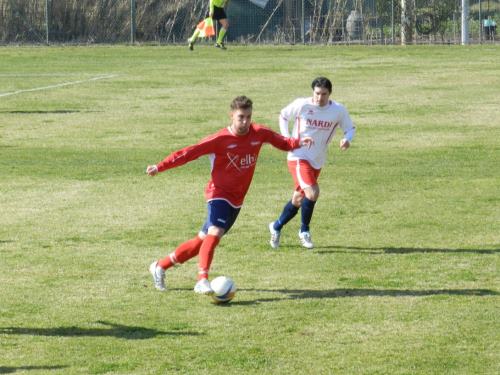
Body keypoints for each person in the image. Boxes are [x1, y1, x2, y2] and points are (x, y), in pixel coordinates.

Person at [147, 96, 313, 294]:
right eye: (241, 117)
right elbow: (186, 154)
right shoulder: (219, 140)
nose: (245, 122)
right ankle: (202, 280)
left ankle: (160, 266)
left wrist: (298, 142)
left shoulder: (258, 133)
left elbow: (281, 142)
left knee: (202, 240)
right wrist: (159, 166)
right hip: (218, 193)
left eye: (248, 117)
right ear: (231, 116)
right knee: (215, 232)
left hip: (237, 199)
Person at [268, 77, 356, 250]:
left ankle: (276, 226)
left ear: (330, 93)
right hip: (298, 156)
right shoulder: (302, 105)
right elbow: (284, 116)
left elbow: (350, 128)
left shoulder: (338, 110)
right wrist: (289, 139)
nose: (319, 98)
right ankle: (304, 231)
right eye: (317, 93)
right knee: (313, 192)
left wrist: (347, 139)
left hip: (317, 159)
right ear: (312, 92)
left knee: (299, 198)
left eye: (324, 94)